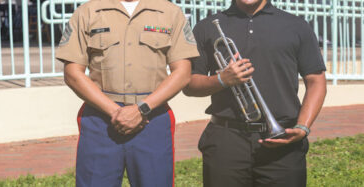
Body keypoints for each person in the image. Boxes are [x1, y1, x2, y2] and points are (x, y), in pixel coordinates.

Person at [183, 0, 327, 186]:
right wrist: (222, 80)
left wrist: (303, 127)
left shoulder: (296, 25)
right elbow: (190, 85)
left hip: (283, 139)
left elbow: (316, 81)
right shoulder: (206, 27)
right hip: (227, 140)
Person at [55, 0, 199, 186]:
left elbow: (183, 73)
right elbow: (73, 74)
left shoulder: (169, 12)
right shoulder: (88, 12)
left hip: (152, 118)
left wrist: (141, 110)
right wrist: (115, 112)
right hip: (101, 120)